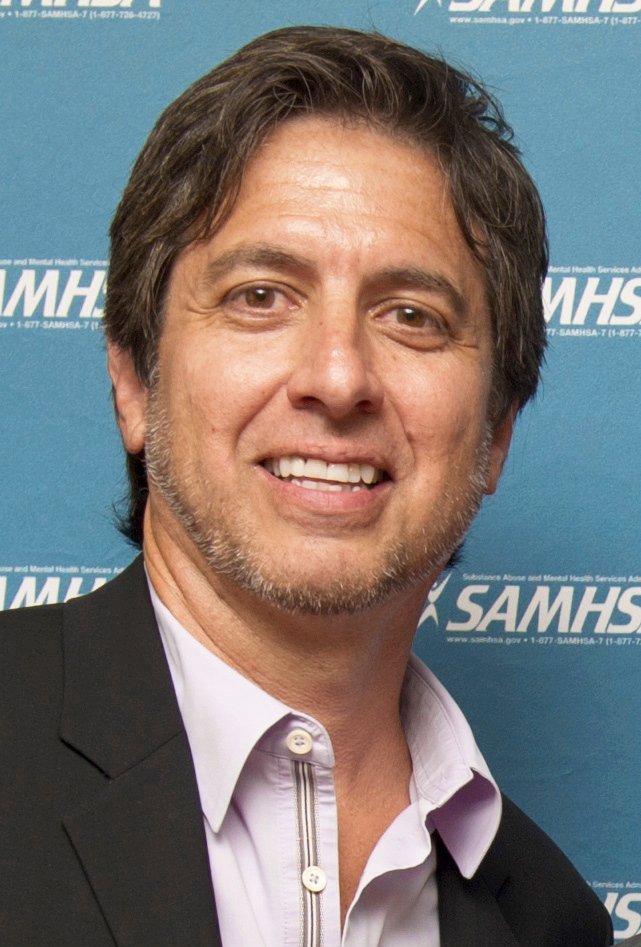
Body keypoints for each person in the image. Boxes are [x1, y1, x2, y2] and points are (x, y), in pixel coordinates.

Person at [0, 26, 612, 947]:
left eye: (412, 315)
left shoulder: (546, 919)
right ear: (133, 380)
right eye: (259, 296)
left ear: (493, 432)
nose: (336, 376)